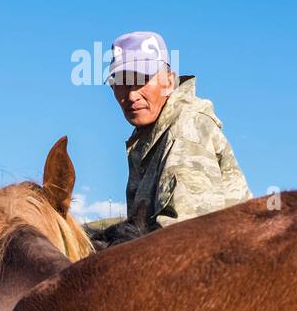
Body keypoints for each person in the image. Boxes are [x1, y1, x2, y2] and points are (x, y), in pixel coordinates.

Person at [107, 30, 251, 231]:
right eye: (121, 83)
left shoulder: (186, 130)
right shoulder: (150, 137)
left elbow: (189, 239)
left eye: (141, 79)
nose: (131, 95)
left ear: (169, 80)